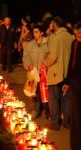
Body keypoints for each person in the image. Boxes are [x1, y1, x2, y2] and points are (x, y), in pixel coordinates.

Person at [42, 16, 74, 130]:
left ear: (55, 24)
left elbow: (53, 57)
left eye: (52, 24)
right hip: (68, 73)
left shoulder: (56, 38)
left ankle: (54, 123)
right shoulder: (70, 37)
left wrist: (44, 63)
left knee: (54, 99)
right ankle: (66, 122)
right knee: (66, 99)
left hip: (56, 72)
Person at [23, 25, 48, 119]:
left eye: (36, 32)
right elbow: (25, 56)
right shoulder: (30, 44)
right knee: (33, 92)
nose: (34, 34)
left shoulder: (47, 44)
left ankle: (47, 111)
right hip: (33, 73)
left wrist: (45, 65)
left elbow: (51, 56)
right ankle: (36, 110)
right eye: (33, 32)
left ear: (42, 33)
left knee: (45, 92)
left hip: (44, 73)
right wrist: (28, 64)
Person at [64, 22, 81, 150]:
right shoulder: (74, 43)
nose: (77, 37)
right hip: (76, 83)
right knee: (75, 115)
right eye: (76, 35)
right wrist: (67, 82)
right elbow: (71, 62)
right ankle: (75, 145)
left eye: (80, 35)